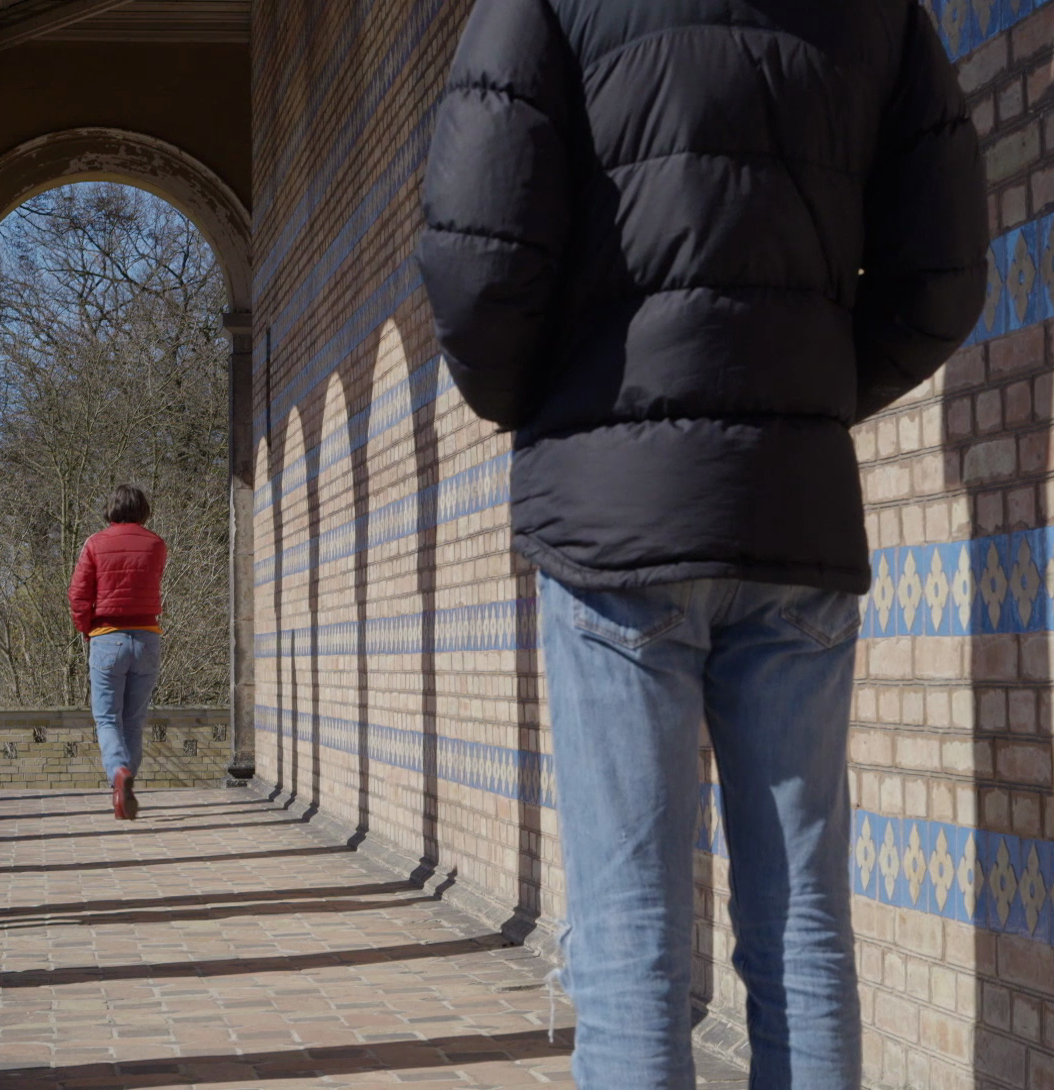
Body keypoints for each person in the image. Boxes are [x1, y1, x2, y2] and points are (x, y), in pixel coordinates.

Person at [417, 2, 986, 1087]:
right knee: (804, 918)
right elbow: (944, 278)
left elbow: (478, 263)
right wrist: (806, 404)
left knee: (630, 921)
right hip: (793, 517)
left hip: (613, 524)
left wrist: (549, 407)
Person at [68, 484, 168, 821]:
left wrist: (86, 629)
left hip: (107, 636)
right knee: (133, 720)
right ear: (143, 509)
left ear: (110, 509)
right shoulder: (156, 544)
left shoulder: (95, 543)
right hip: (147, 637)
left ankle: (118, 773)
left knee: (107, 718)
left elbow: (78, 594)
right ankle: (124, 791)